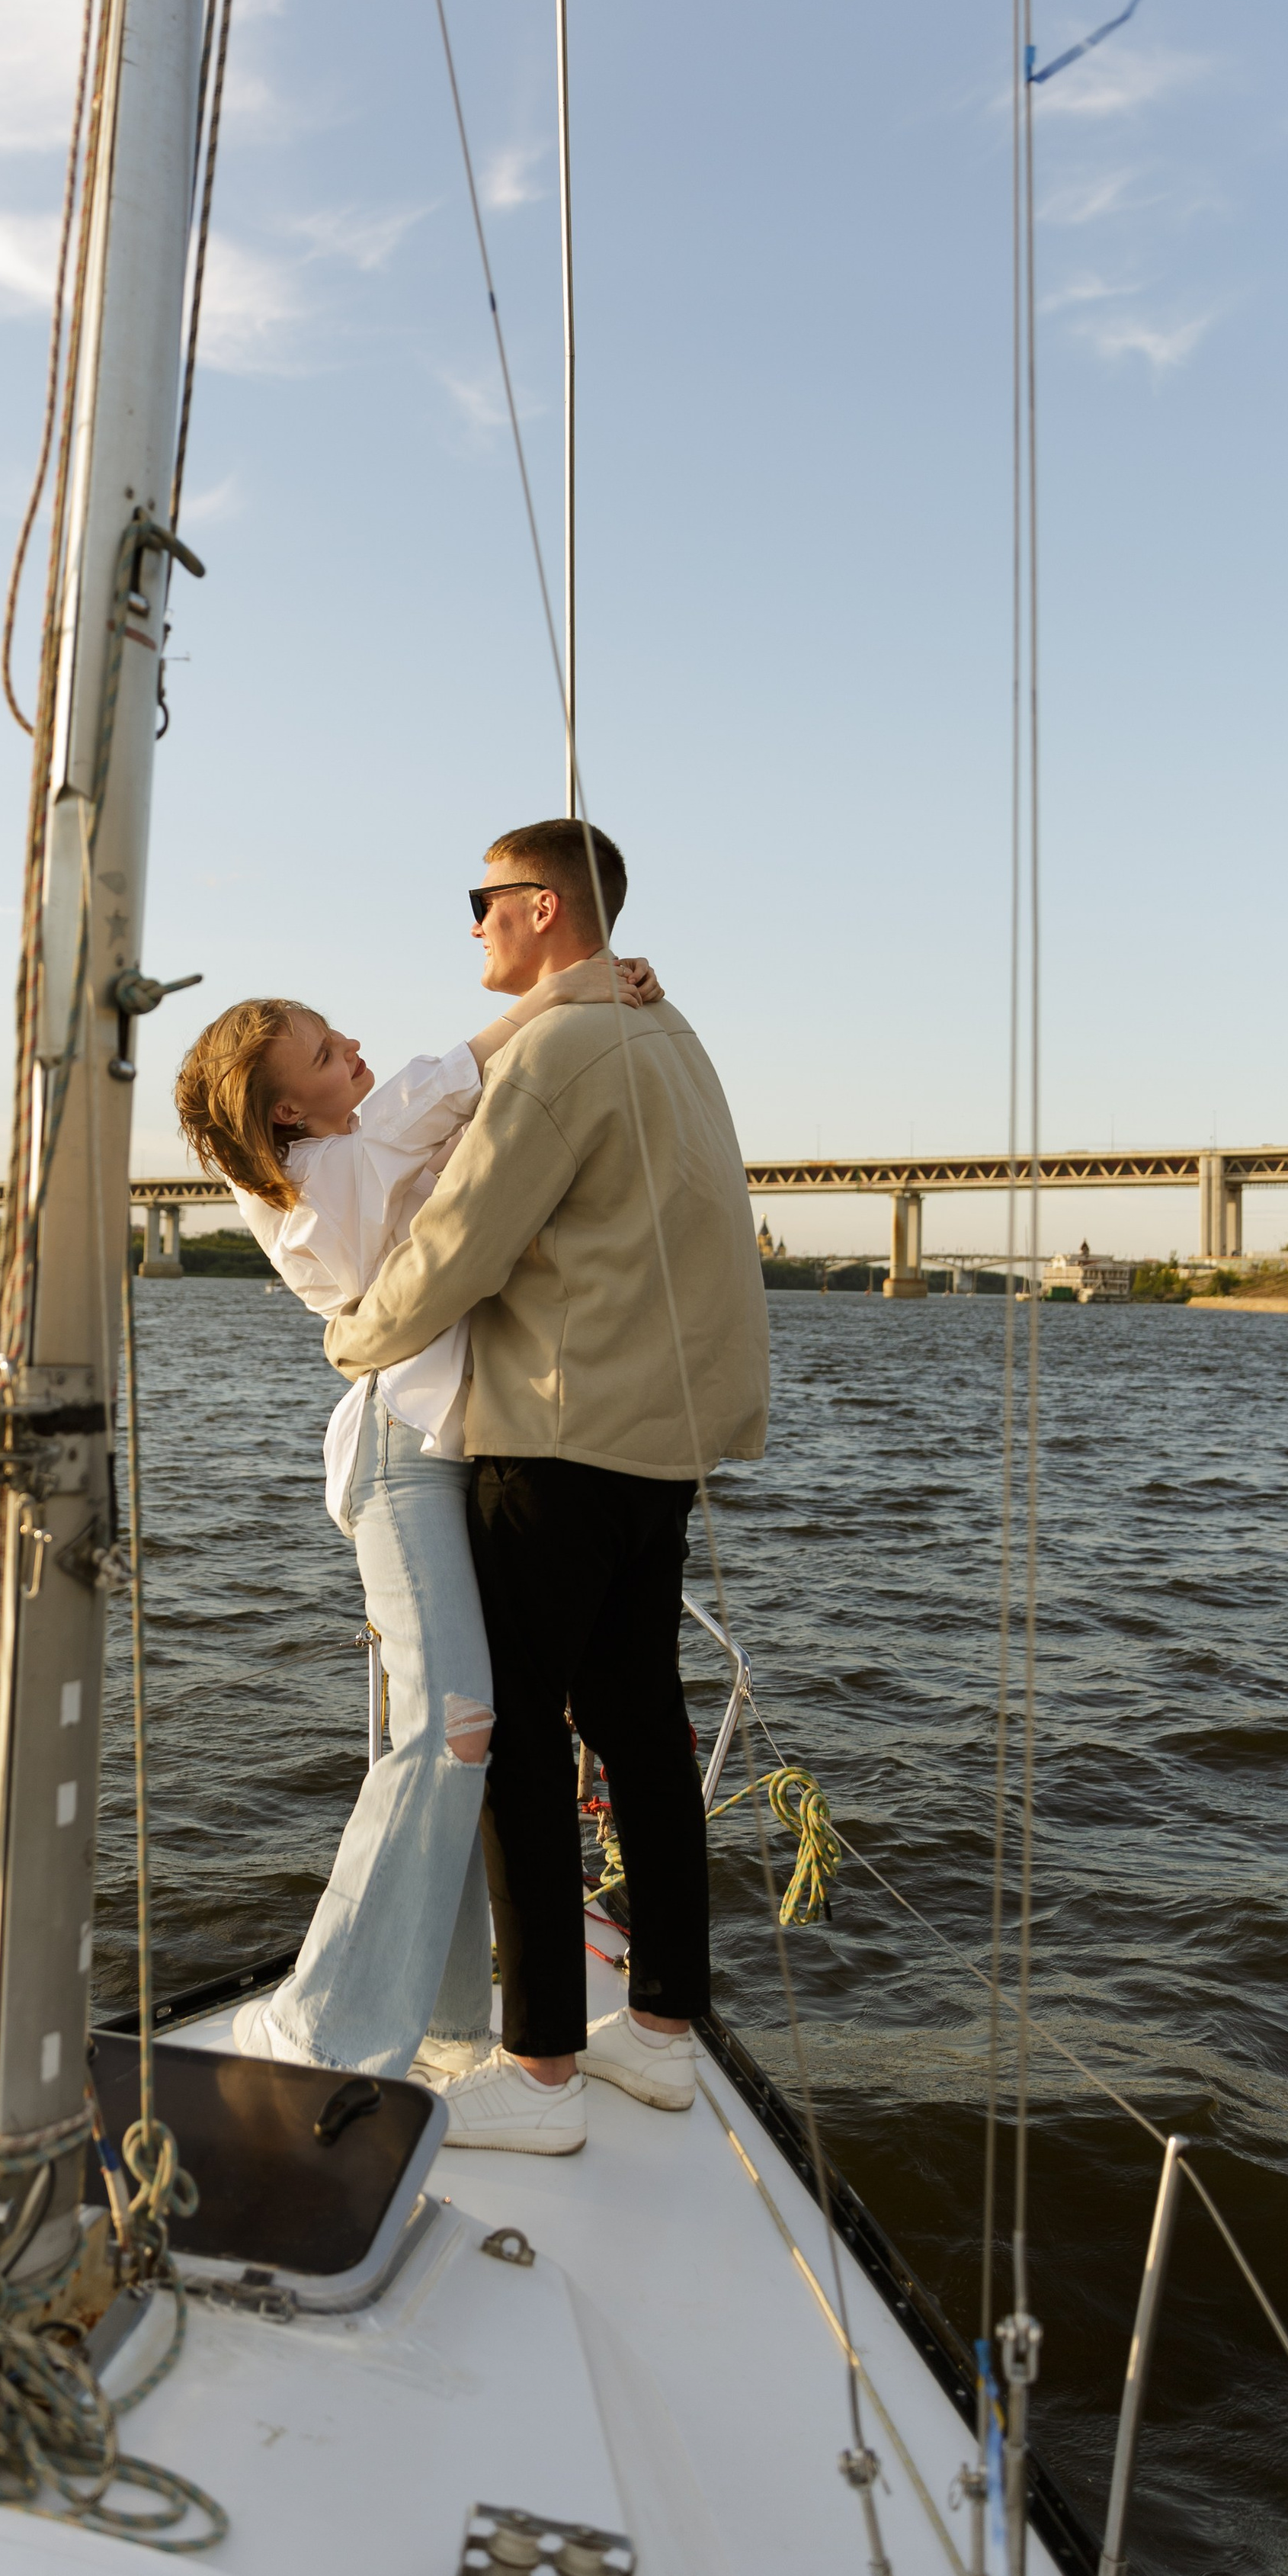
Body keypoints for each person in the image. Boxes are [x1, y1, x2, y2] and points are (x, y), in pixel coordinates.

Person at [325, 820, 769, 2154]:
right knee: (638, 1722)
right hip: (662, 1448)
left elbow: (458, 1247)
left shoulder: (566, 1051)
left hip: (562, 1441)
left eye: (484, 901)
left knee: (512, 1730)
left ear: (543, 911)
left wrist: (350, 1338)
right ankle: (665, 2035)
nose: (471, 926)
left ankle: (539, 2075)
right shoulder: (668, 1035)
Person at [172, 946, 663, 2081]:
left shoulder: (343, 1154)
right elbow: (461, 1072)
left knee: (458, 1741)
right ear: (288, 1108)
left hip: (456, 1444)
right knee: (455, 1724)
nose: (353, 1046)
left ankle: (446, 2022)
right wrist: (567, 987)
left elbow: (466, 1118)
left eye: (337, 1030)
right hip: (401, 1454)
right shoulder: (333, 1169)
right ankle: (318, 2025)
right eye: (323, 1050)